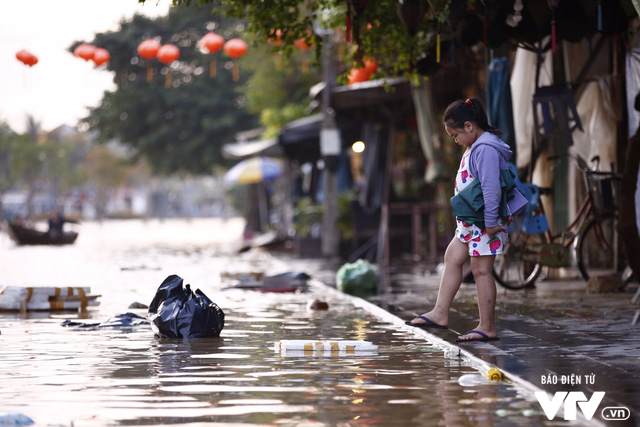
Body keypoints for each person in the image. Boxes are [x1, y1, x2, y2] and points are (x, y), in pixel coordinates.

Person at [405, 97, 527, 343]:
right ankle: (440, 313)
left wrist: (492, 223)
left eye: (455, 135)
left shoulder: (486, 150)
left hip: (485, 221)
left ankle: (487, 326)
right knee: (452, 258)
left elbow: (492, 189)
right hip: (471, 221)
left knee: (481, 270)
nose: (456, 140)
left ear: (469, 126)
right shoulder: (476, 146)